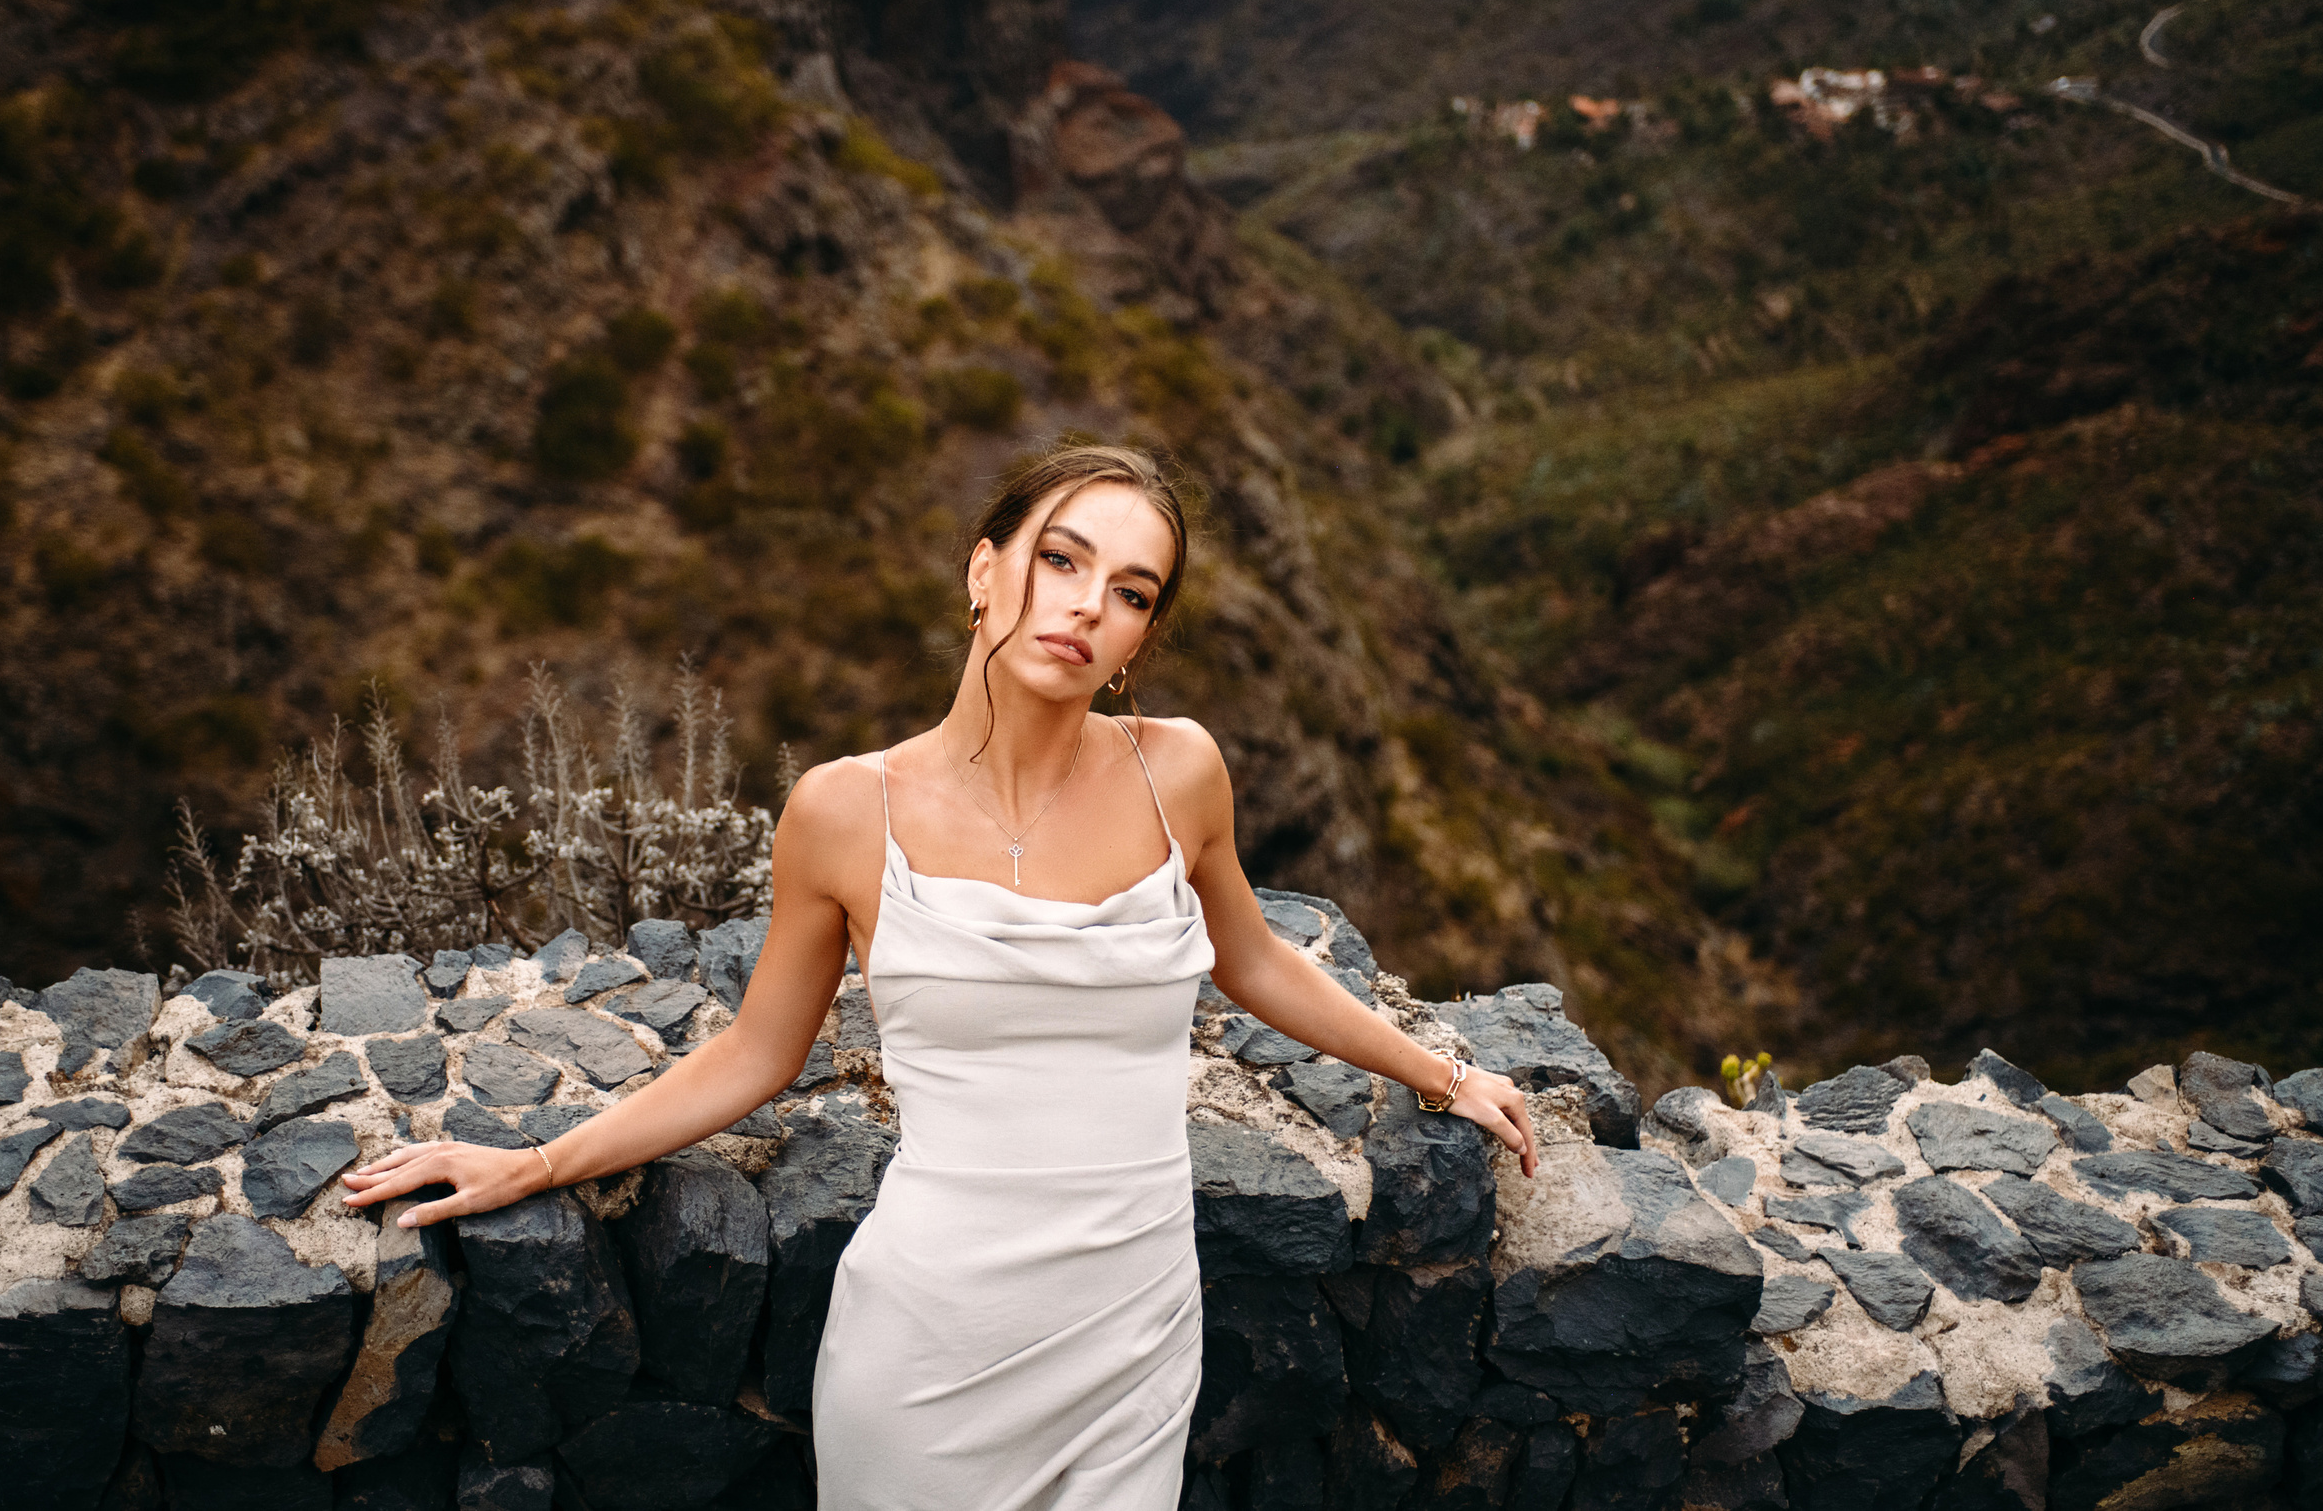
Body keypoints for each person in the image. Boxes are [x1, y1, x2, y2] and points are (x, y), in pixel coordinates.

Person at [339, 442, 1538, 1509]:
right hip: (931, 1343)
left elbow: (1252, 958)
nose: (1085, 607)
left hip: (1131, 1330)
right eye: (1060, 561)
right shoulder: (846, 811)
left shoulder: (1181, 772)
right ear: (982, 571)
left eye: (1130, 593)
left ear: (1140, 643)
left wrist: (1442, 1074)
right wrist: (536, 1164)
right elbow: (759, 1054)